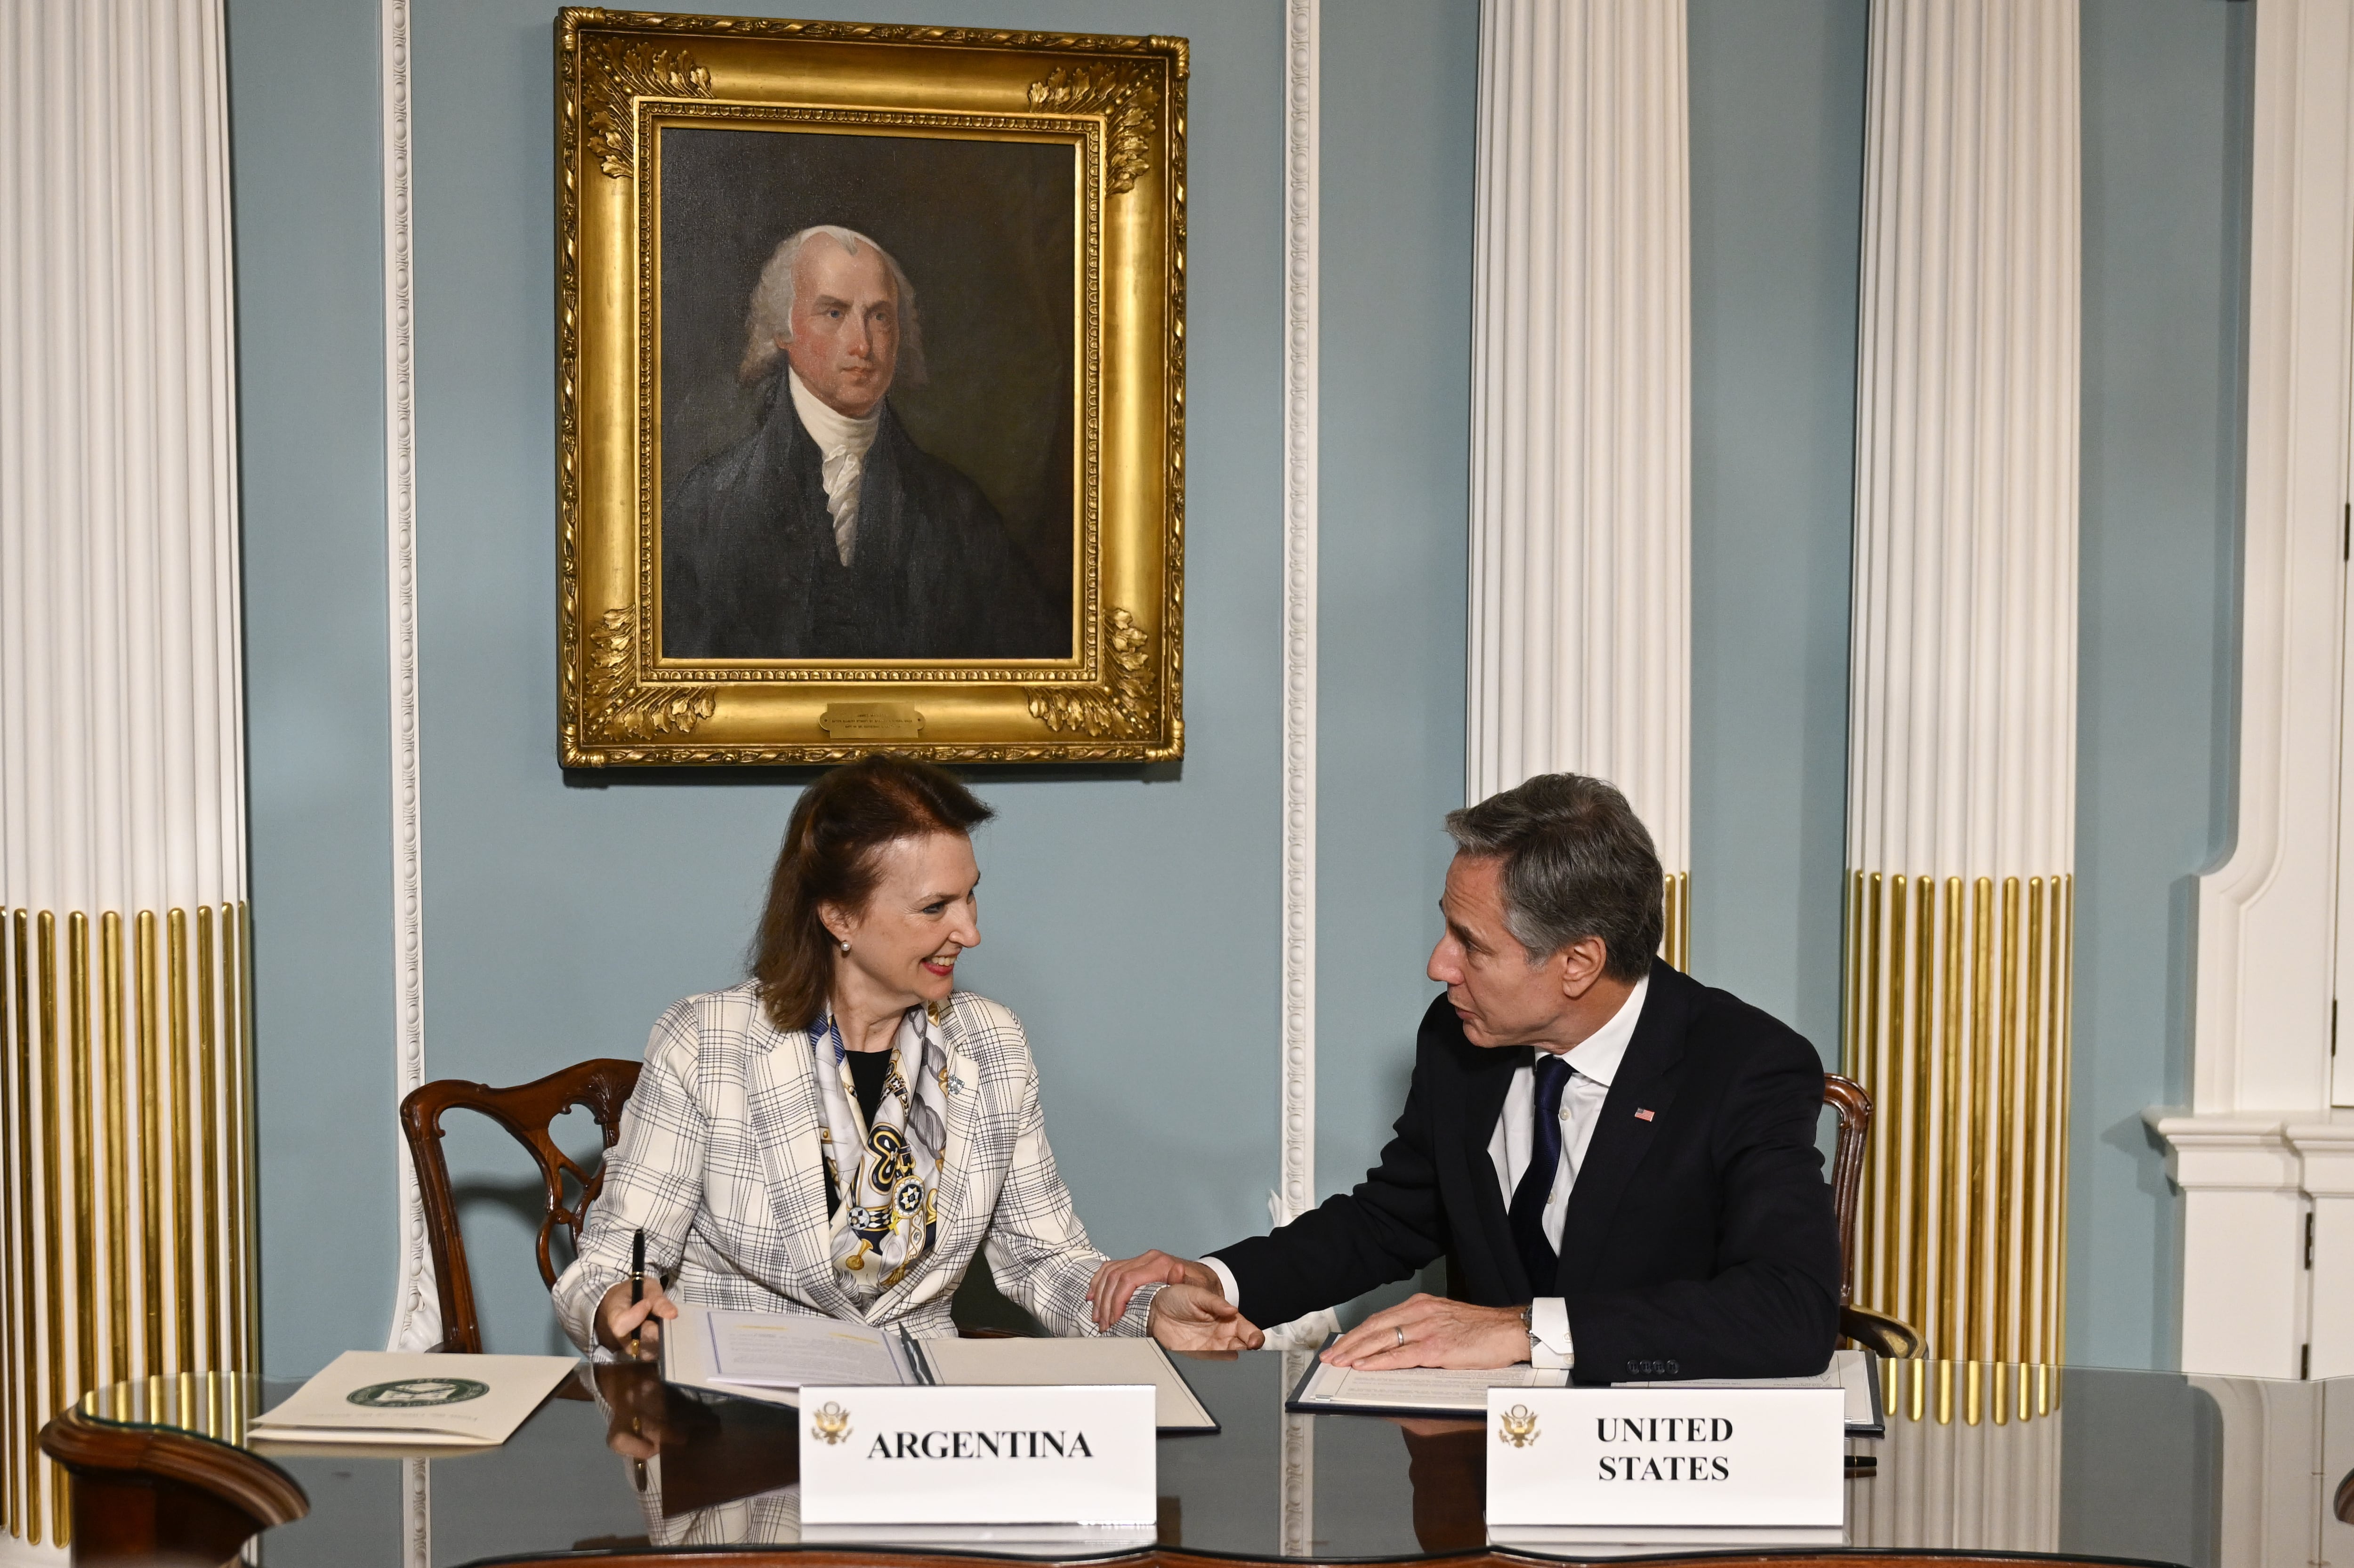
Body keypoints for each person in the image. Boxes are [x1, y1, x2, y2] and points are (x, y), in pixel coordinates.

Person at [1087, 773, 1840, 1383]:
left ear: (1577, 962)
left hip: (1660, 1466)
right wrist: (1223, 1278)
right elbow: (1396, 1217)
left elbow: (1790, 1309)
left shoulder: (1745, 1065)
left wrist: (1521, 1329)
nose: (1438, 965)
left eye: (1470, 943)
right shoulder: (1459, 1035)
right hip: (1475, 1464)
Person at [553, 754, 1249, 1357]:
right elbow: (613, 1258)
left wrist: (1148, 1310)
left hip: (918, 1427)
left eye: (972, 895)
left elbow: (1044, 1260)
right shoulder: (707, 1040)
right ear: (839, 916)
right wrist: (618, 1305)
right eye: (934, 907)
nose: (969, 931)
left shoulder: (993, 1043)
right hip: (735, 1424)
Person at [661, 225, 1064, 661]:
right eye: (834, 313)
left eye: (879, 316)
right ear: (783, 329)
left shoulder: (960, 515)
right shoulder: (705, 508)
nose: (863, 345)